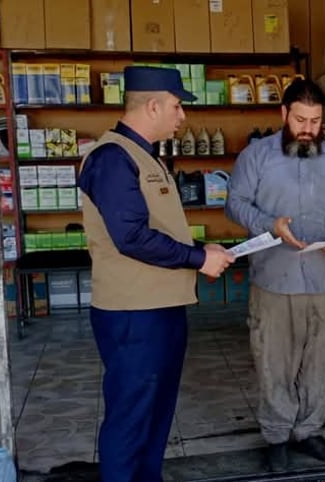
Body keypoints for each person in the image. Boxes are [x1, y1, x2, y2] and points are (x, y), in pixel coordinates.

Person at [77, 65, 235, 481]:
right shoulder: (112, 159)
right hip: (133, 314)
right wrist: (199, 260)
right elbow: (130, 236)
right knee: (130, 420)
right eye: (178, 106)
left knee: (155, 416)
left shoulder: (147, 156)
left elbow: (158, 230)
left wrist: (203, 249)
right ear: (153, 105)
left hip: (161, 309)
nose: (182, 116)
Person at [225, 79, 325, 472]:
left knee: (321, 360)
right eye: (300, 119)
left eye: (316, 121)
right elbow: (235, 204)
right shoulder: (256, 157)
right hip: (274, 278)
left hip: (323, 278)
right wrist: (270, 225)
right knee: (274, 359)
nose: (308, 128)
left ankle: (310, 430)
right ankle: (275, 434)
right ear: (283, 114)